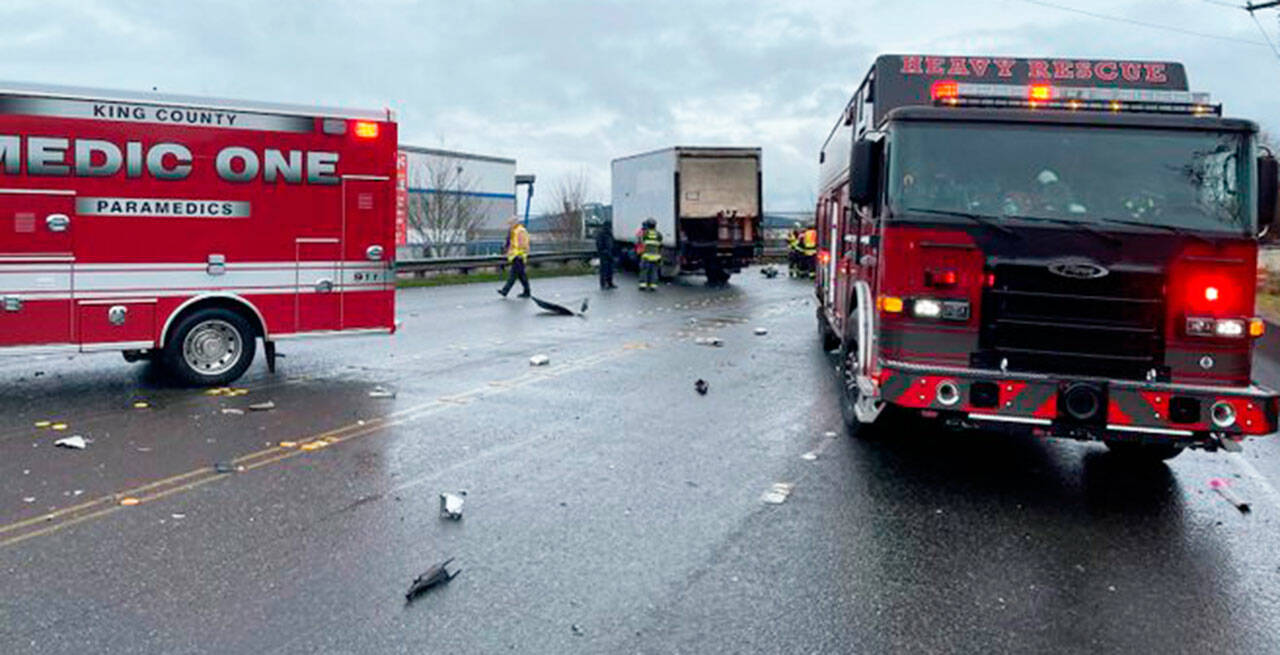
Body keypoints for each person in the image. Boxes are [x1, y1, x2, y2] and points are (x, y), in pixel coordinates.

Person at [497, 216, 531, 298]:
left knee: (513, 275)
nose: (509, 225)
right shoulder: (514, 230)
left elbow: (523, 244)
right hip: (515, 256)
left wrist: (520, 253)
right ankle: (527, 291)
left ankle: (505, 291)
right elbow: (511, 242)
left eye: (510, 223)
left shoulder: (520, 231)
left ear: (515, 223)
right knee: (521, 275)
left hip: (519, 256)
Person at [635, 217, 663, 291]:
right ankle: (653, 286)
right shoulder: (658, 234)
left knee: (644, 271)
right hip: (656, 256)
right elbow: (660, 243)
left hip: (646, 255)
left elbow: (640, 242)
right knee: (654, 271)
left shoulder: (645, 233)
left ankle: (642, 285)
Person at [595, 219, 617, 290]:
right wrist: (603, 251)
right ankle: (603, 284)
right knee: (604, 270)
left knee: (610, 269)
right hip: (604, 254)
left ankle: (610, 283)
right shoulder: (601, 233)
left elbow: (612, 243)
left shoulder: (609, 233)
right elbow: (599, 244)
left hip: (609, 253)